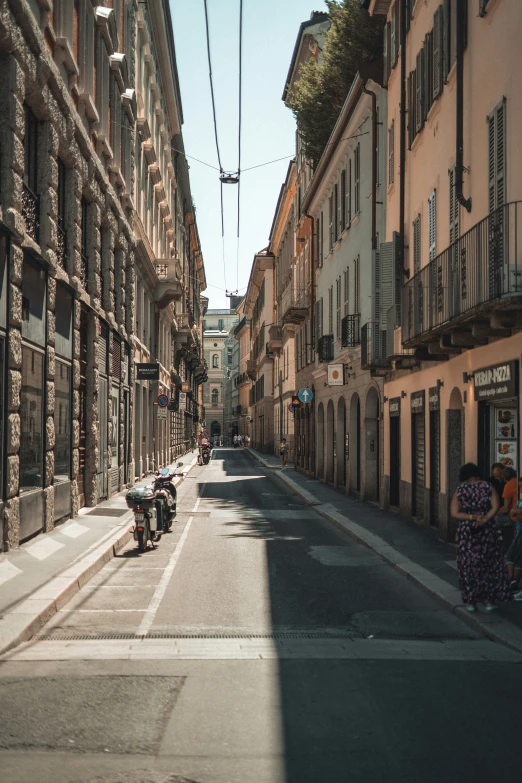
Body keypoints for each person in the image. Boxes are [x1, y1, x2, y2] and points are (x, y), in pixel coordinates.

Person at [450, 462, 511, 612]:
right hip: (486, 530)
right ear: (477, 473)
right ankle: (489, 601)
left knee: (468, 565)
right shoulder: (487, 486)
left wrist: (472, 517)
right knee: (489, 564)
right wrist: (485, 518)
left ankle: (471, 602)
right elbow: (496, 506)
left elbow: (454, 513)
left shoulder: (460, 490)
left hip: (467, 532)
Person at [505, 476, 522, 596]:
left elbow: (519, 515)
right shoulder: (521, 499)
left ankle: (515, 583)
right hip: (519, 530)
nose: (521, 490)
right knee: (510, 556)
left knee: (518, 559)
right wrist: (517, 512)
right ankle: (511, 580)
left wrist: (517, 513)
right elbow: (513, 511)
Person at [496, 466, 518, 551]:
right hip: (517, 514)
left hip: (514, 517)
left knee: (495, 520)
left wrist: (493, 513)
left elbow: (505, 508)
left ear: (504, 477)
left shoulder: (508, 485)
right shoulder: (517, 481)